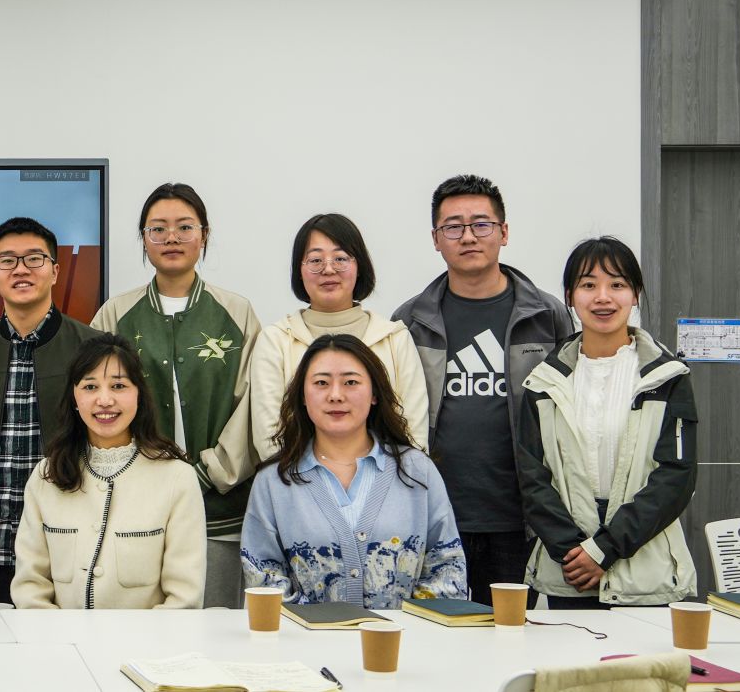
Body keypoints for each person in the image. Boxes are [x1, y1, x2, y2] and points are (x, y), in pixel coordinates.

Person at [391, 175, 571, 606]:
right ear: (436, 239)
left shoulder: (547, 316)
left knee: (507, 632)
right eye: (453, 226)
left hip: (518, 518)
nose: (468, 236)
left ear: (503, 232)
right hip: (434, 515)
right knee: (434, 633)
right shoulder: (410, 321)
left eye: (481, 224)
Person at [92, 183, 261, 608]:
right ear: (143, 238)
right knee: (145, 629)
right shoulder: (116, 313)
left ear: (204, 235)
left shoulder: (236, 312)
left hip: (220, 510)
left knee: (216, 627)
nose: (172, 238)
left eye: (185, 227)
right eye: (158, 229)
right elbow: (96, 402)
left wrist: (211, 472)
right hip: (136, 505)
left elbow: (255, 405)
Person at [517, 237, 697, 608]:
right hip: (568, 570)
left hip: (645, 570)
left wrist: (605, 549)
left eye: (617, 284)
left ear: (635, 295)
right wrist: (573, 553)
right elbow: (531, 477)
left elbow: (676, 477)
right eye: (588, 285)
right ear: (570, 297)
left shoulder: (667, 377)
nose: (603, 297)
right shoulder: (543, 381)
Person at [0, 217, 103, 605]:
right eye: (7, 261)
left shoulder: (94, 351)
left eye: (34, 258)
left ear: (55, 271)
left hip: (68, 555)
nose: (21, 270)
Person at [241, 335, 467, 609]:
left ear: (374, 394)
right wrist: (321, 627)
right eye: (321, 383)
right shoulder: (274, 480)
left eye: (351, 382)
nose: (336, 395)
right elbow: (263, 580)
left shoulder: (417, 470)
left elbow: (448, 570)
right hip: (305, 636)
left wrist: (399, 627)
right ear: (303, 396)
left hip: (404, 636)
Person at [12, 335, 206, 609]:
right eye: (90, 386)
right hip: (60, 637)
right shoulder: (47, 476)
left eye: (118, 386)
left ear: (139, 394)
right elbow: (30, 588)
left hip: (150, 638)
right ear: (74, 398)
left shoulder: (177, 478)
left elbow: (184, 599)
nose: (104, 400)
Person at [249, 213, 429, 461]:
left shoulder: (394, 338)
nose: (328, 269)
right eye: (315, 260)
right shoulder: (275, 341)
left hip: (388, 482)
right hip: (296, 481)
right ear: (299, 270)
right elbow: (270, 441)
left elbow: (414, 437)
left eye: (341, 258)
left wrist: (374, 480)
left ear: (360, 266)